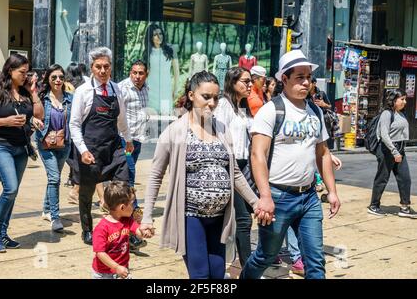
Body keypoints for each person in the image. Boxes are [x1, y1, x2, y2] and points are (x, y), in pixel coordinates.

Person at [140, 71, 267, 279]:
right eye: (206, 97)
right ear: (191, 95)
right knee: (200, 276)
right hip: (191, 217)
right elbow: (155, 176)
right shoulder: (174, 132)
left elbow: (234, 172)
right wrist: (147, 218)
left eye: (216, 98)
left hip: (219, 218)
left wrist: (256, 202)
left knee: (217, 275)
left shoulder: (222, 129)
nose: (212, 103)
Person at [240, 50, 341, 279]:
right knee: (266, 256)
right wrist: (265, 196)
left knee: (315, 261)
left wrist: (332, 192)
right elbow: (258, 155)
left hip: (309, 198)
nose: (306, 82)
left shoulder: (315, 111)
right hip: (278, 196)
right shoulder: (270, 111)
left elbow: (323, 153)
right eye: (299, 77)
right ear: (284, 79)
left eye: (308, 77)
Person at [0, 54, 44, 253]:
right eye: (22, 72)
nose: (26, 76)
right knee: (10, 188)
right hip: (0, 145)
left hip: (21, 147)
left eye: (27, 72)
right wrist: (6, 121)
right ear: (10, 70)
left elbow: (39, 114)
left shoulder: (25, 91)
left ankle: (3, 233)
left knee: (12, 193)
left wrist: (33, 94)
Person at [69, 47, 133, 245]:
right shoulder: (83, 91)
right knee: (87, 193)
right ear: (92, 68)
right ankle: (87, 229)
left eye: (106, 66)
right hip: (90, 149)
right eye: (99, 67)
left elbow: (121, 119)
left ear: (111, 67)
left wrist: (128, 139)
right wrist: (83, 150)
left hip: (113, 148)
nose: (103, 70)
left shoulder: (116, 89)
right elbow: (74, 124)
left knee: (123, 187)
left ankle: (125, 230)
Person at [214, 67, 254, 269]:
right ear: (232, 82)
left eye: (251, 81)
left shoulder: (242, 107)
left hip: (246, 167)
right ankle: (248, 267)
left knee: (244, 219)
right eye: (245, 81)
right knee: (243, 220)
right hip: (230, 166)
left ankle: (242, 262)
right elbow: (219, 137)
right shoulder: (223, 105)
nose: (250, 85)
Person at [368, 89, 417, 218]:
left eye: (405, 99)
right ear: (394, 100)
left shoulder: (400, 113)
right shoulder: (386, 114)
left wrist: (399, 151)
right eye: (402, 99)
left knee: (405, 178)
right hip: (387, 150)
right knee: (382, 178)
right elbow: (384, 135)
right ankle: (374, 205)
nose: (405, 102)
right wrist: (394, 152)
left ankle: (405, 207)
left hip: (399, 150)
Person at [35, 64, 73, 232]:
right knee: (55, 178)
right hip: (45, 144)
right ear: (48, 79)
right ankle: (55, 217)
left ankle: (46, 209)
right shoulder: (42, 98)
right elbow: (30, 114)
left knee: (53, 178)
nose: (58, 80)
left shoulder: (70, 98)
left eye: (61, 77)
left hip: (64, 143)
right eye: (54, 77)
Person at [117, 59, 150, 250]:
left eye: (141, 73)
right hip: (124, 140)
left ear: (146, 74)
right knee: (129, 177)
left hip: (137, 140)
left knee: (124, 179)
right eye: (134, 72)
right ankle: (134, 221)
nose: (137, 76)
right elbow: (118, 116)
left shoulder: (146, 89)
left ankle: (118, 209)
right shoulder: (122, 88)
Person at [92, 181, 150, 279]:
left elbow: (138, 232)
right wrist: (116, 267)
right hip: (103, 274)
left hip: (122, 269)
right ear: (122, 207)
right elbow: (100, 253)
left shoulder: (128, 220)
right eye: (132, 204)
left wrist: (145, 231)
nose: (133, 207)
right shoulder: (101, 228)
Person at [143, 23, 179, 115]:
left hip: (166, 91)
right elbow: (146, 74)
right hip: (151, 91)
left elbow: (176, 73)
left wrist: (175, 89)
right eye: (155, 35)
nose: (159, 37)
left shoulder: (170, 50)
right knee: (152, 122)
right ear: (150, 37)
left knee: (166, 118)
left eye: (160, 34)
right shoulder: (147, 53)